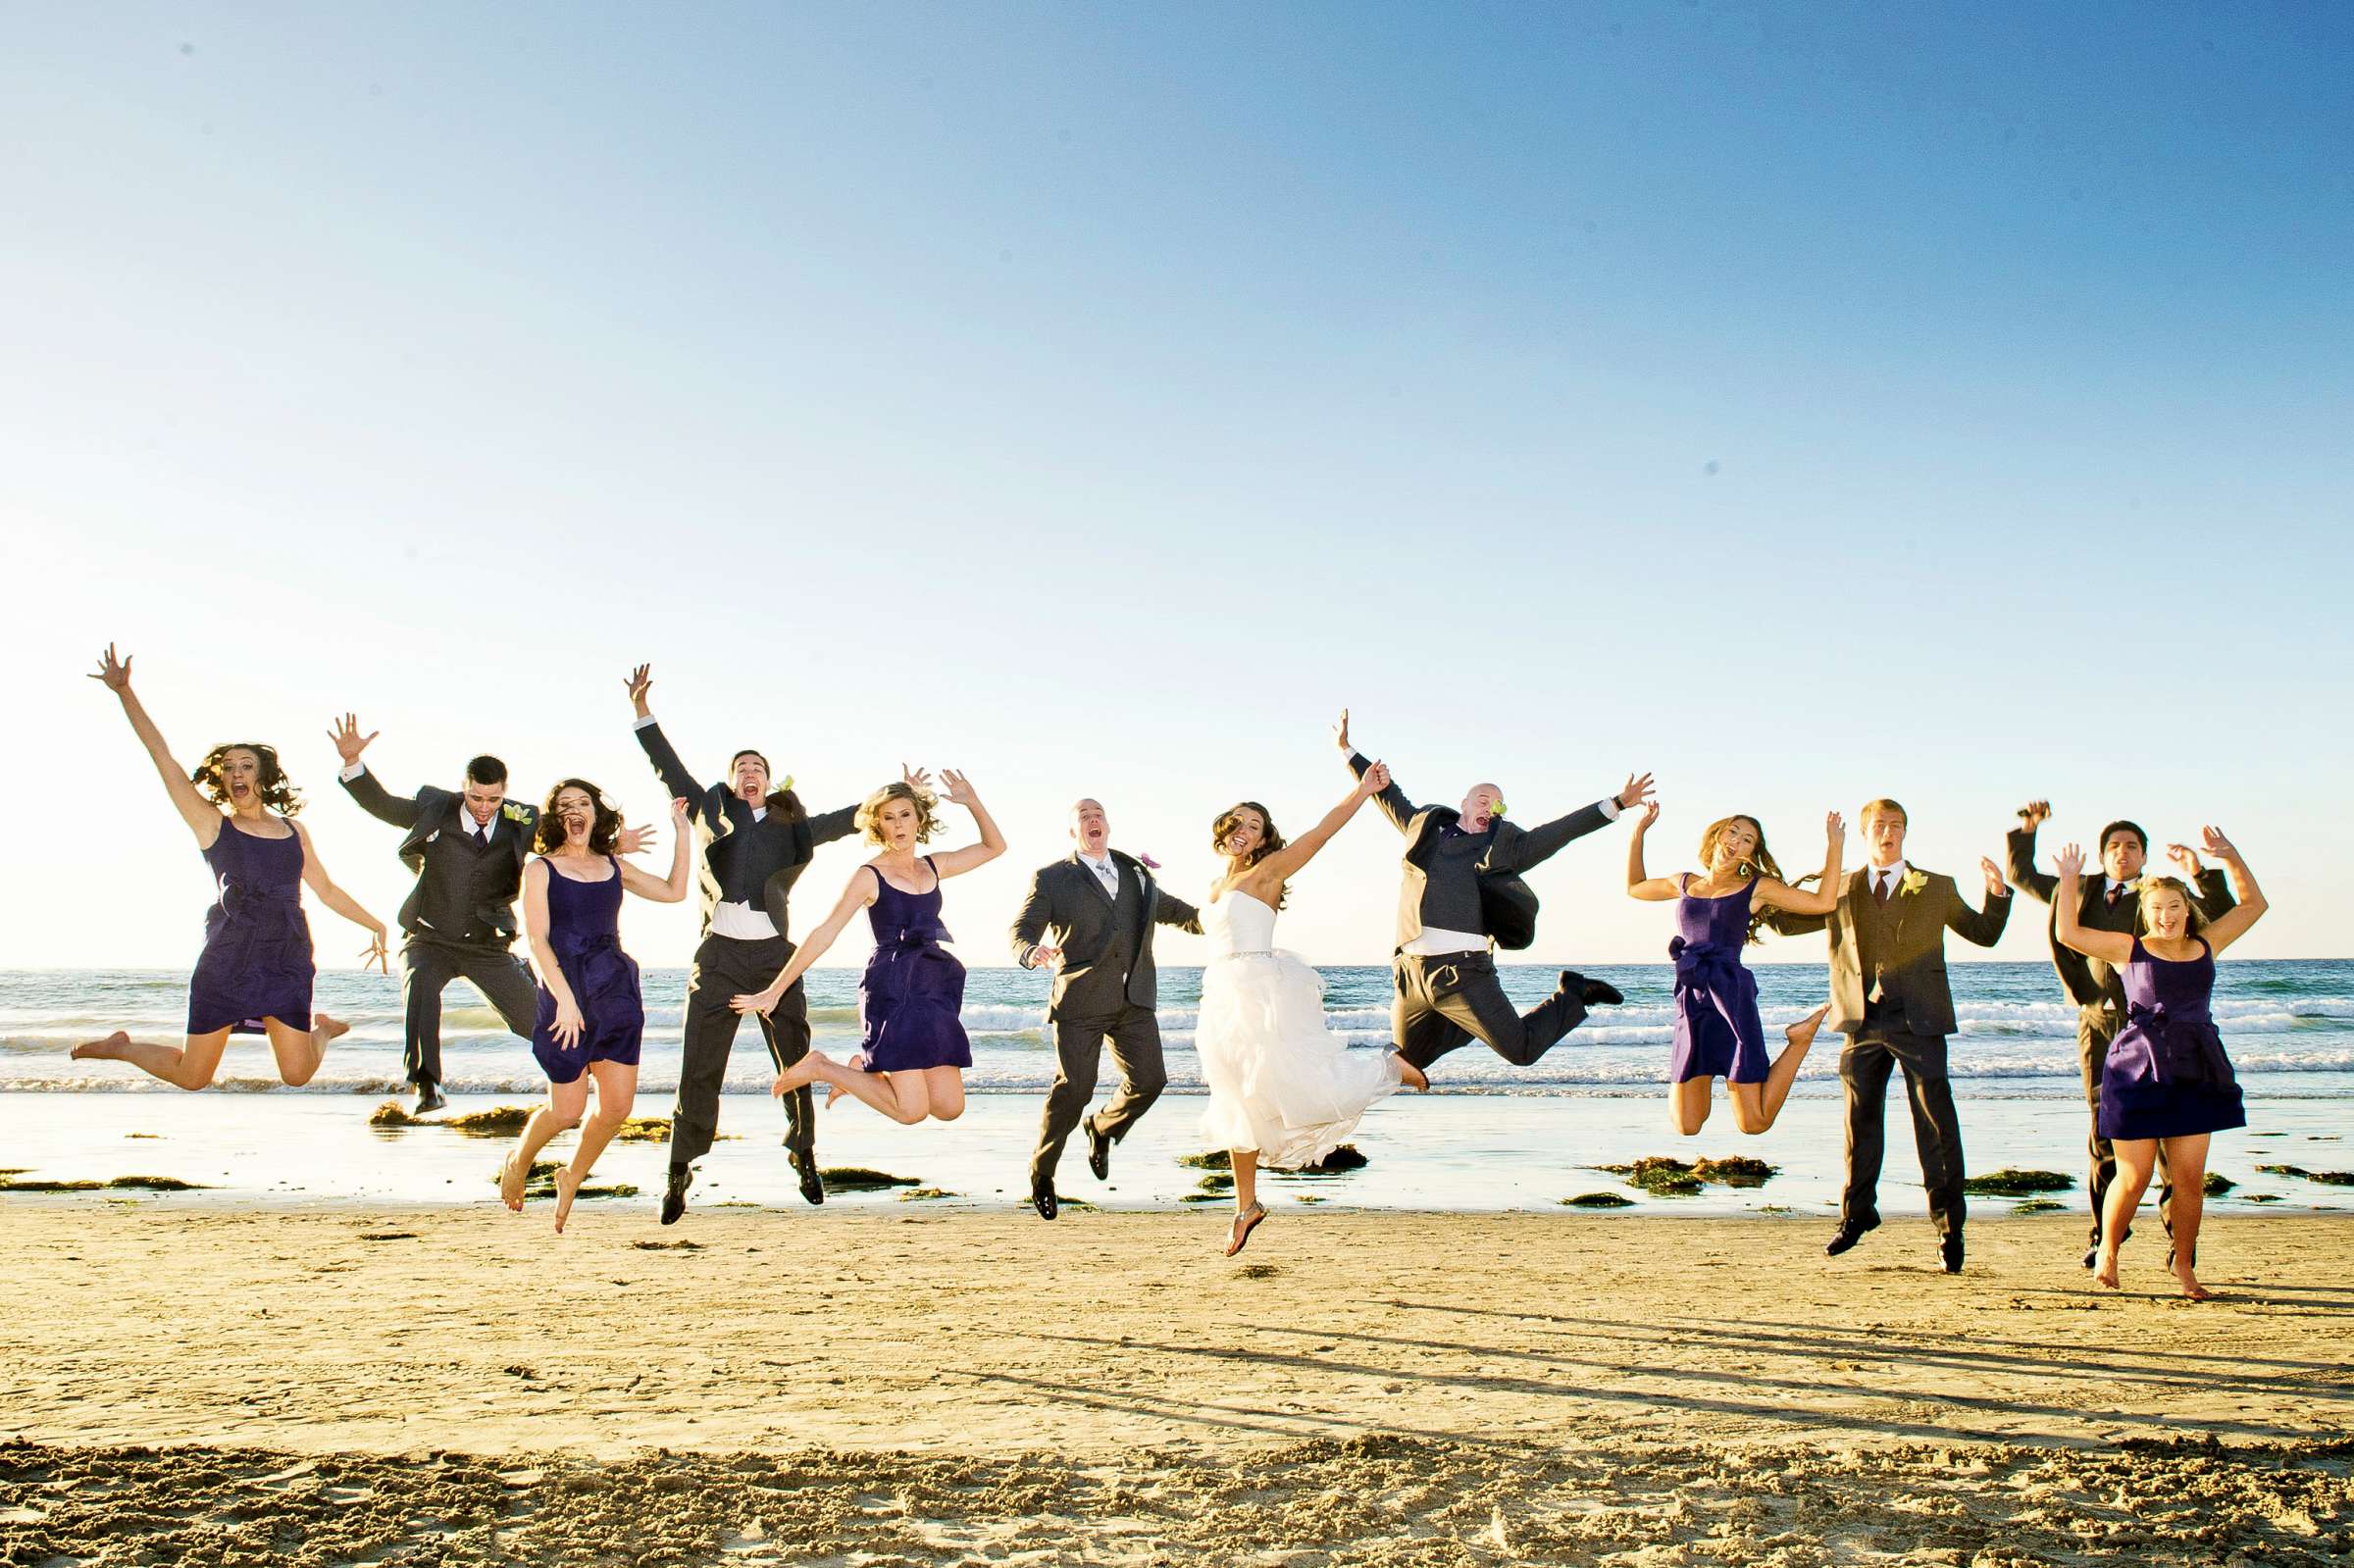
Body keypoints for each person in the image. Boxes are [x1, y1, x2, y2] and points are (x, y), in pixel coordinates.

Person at [625, 664, 916, 1222]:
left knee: (797, 1058)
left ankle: (803, 1152)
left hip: (773, 959)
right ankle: (679, 1171)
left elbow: (845, 820)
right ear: (733, 780)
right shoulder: (711, 807)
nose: (749, 773)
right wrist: (643, 713)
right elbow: (668, 768)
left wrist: (900, 796)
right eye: (741, 768)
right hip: (718, 956)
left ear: (770, 779)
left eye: (757, 767)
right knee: (700, 1067)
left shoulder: (790, 823)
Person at [74, 646, 388, 1088]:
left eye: (246, 765)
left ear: (264, 776)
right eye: (228, 768)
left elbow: (327, 889)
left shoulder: (294, 830)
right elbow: (161, 756)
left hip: (286, 954)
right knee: (193, 1076)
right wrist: (125, 692)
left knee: (297, 1075)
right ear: (221, 779)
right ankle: (122, 1047)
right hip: (229, 956)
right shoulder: (211, 825)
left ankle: (324, 1030)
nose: (235, 773)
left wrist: (376, 924)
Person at [332, 716, 647, 1115]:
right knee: (420, 986)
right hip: (429, 938)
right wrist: (353, 764)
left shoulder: (523, 820)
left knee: (538, 1018)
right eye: (476, 798)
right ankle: (426, 1083)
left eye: (493, 800)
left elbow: (567, 842)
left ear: (504, 793)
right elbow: (385, 806)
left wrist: (615, 843)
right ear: (464, 789)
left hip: (488, 945)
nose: (483, 808)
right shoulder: (436, 807)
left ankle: (588, 1069)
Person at [1768, 798, 2010, 1273]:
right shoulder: (1838, 887)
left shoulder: (1937, 886)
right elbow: (1784, 922)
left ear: (1905, 833)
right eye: (1880, 824)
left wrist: (1997, 894)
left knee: (1935, 1125)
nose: (1889, 831)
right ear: (1864, 833)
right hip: (1861, 1021)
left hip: (1919, 1018)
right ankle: (1857, 1215)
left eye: (1897, 825)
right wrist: (1759, 889)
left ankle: (1949, 1227)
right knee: (1859, 1123)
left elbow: (1983, 934)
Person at [1336, 710, 1649, 1076]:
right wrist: (1346, 749)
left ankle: (1573, 994)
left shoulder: (1504, 846)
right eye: (1483, 799)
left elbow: (1560, 831)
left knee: (1521, 1050)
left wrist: (1617, 803)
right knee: (1406, 1063)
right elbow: (1386, 793)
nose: (1491, 806)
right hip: (1410, 974)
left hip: (1462, 971)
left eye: (1498, 804)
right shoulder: (1422, 827)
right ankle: (1460, 1029)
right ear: (1464, 803)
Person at [1199, 764, 1430, 1256]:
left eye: (1254, 826)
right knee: (1238, 1102)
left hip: (1258, 991)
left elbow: (1321, 833)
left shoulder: (1269, 871)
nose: (1243, 831)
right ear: (1224, 830)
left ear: (1264, 841)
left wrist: (1363, 789)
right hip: (1219, 997)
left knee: (1295, 1085)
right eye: (1237, 822)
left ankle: (1390, 1068)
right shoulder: (1215, 886)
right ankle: (1246, 1207)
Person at [2008, 801, 2235, 1270]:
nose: (2123, 853)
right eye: (2114, 846)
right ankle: (2104, 1238)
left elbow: (2223, 915)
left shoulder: (2163, 902)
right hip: (2100, 1024)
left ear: (2144, 856)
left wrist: (2202, 871)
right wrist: (2028, 832)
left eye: (2132, 846)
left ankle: (2179, 1246)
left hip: (2165, 1030)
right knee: (2106, 1138)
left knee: (2179, 1153)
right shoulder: (2082, 890)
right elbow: (2024, 877)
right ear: (2103, 855)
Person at [2053, 828, 2265, 1300]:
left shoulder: (2206, 944)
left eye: (2174, 908)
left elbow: (2254, 906)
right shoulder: (2129, 949)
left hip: (2196, 1069)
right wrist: (2069, 879)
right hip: (2138, 1069)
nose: (2166, 917)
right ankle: (2108, 1249)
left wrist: (2229, 855)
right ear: (2143, 913)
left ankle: (2185, 1267)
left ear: (2186, 910)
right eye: (2156, 909)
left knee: (2189, 1179)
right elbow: (2068, 933)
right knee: (2134, 1176)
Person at [734, 772, 1004, 1124]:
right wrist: (775, 990)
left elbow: (994, 847)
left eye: (906, 814)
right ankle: (823, 1067)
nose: (898, 825)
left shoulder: (933, 866)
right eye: (888, 818)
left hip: (934, 985)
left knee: (950, 1107)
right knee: (911, 1112)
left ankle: (863, 1070)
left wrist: (972, 801)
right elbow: (825, 932)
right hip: (894, 989)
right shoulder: (869, 875)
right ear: (879, 826)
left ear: (919, 818)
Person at [497, 782, 691, 1232]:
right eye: (565, 807)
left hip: (614, 987)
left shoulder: (612, 864)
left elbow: (673, 891)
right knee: (566, 1111)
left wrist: (681, 830)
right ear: (555, 819)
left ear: (595, 813)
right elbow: (537, 940)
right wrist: (564, 1000)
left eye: (583, 803)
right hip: (565, 989)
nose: (575, 811)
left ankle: (572, 1174)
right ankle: (519, 1159)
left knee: (617, 1108)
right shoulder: (541, 869)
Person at [1009, 798, 1203, 1220]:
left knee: (1151, 1081)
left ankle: (1102, 1127)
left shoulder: (1136, 872)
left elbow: (1176, 912)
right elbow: (1021, 931)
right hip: (1081, 1000)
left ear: (1108, 825)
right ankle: (1043, 1171)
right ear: (1073, 832)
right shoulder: (1052, 878)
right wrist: (1031, 952)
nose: (1092, 820)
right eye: (1083, 816)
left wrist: (1226, 917)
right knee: (1075, 1089)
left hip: (1134, 1000)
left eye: (1097, 814)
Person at [1625, 803, 1839, 1136]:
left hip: (1730, 996)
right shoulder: (1683, 883)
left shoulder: (1757, 888)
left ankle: (1799, 1040)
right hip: (1690, 996)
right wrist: (1639, 832)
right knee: (1687, 1125)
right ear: (1717, 834)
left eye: (1747, 840)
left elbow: (1823, 903)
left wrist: (1834, 845)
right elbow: (1635, 887)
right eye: (1733, 832)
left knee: (1754, 1123)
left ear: (1751, 853)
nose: (1736, 842)